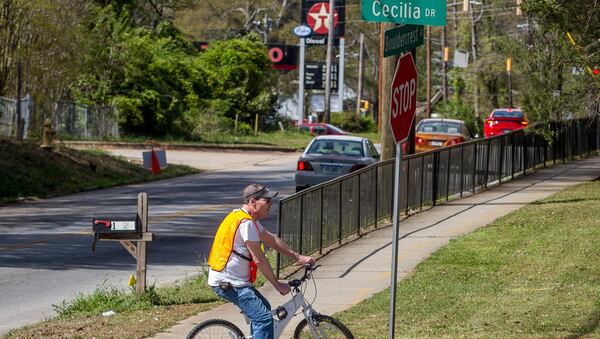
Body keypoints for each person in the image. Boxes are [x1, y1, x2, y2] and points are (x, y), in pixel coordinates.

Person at [207, 183, 315, 339]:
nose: (271, 204)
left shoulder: (244, 218)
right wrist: (277, 285)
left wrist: (297, 257)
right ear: (253, 201)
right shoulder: (246, 223)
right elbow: (259, 260)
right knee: (264, 319)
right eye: (267, 200)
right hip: (229, 283)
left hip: (233, 281)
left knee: (264, 309)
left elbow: (271, 239)